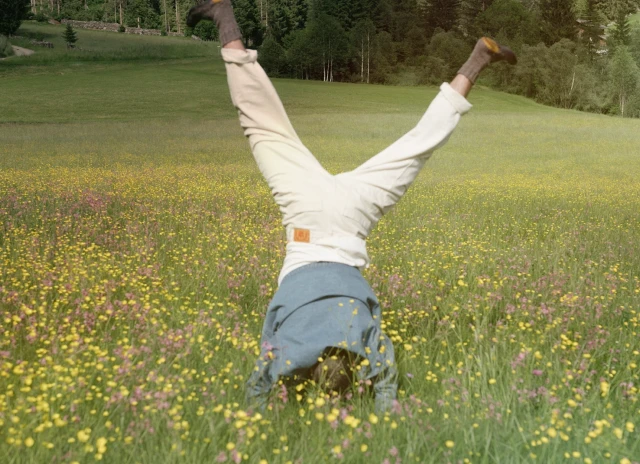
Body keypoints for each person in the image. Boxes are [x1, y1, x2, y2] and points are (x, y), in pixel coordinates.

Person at [187, 0, 517, 412]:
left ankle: (476, 61)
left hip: (352, 218)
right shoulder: (288, 348)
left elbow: (386, 382)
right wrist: (252, 415)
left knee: (416, 146)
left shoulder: (365, 338)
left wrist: (383, 410)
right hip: (306, 220)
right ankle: (224, 17)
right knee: (262, 124)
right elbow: (261, 376)